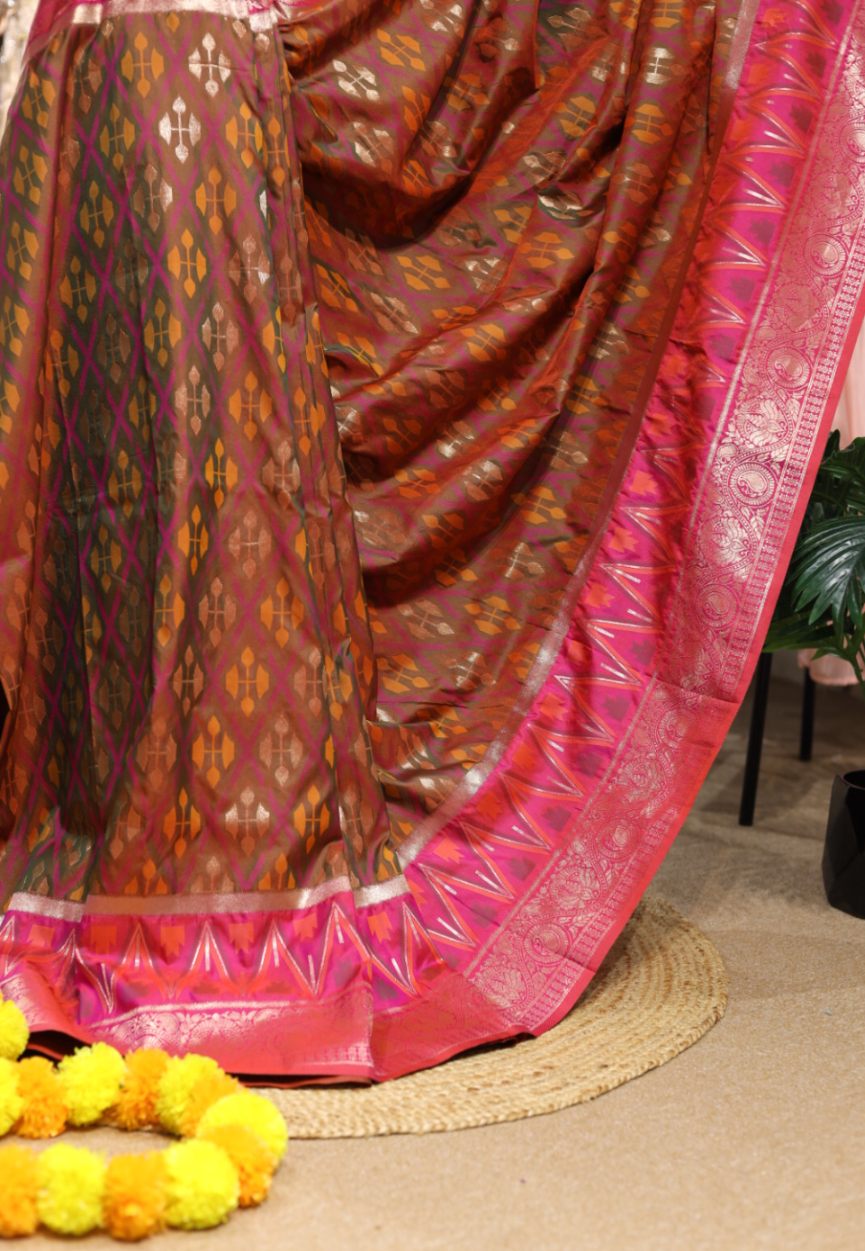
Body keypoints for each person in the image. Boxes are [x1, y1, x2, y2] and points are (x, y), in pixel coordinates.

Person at [0, 0, 863, 1081]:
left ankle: (182, 904)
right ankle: (168, 904)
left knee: (216, 498)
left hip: (152, 79)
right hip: (141, 92)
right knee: (142, 492)